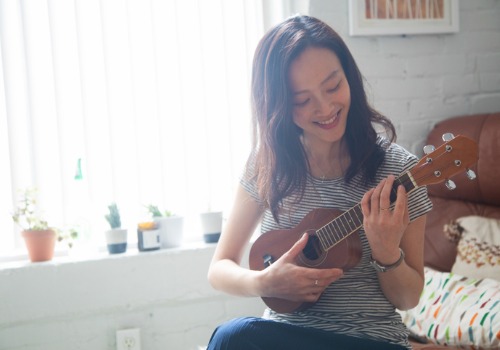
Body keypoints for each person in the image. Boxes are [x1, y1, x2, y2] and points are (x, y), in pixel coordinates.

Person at [206, 15, 432, 350]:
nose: (325, 107)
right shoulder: (266, 163)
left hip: (369, 340)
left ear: (349, 78)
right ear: (279, 104)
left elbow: (408, 297)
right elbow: (219, 269)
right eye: (302, 100)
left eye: (332, 86)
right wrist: (265, 282)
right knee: (232, 337)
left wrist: (386, 251)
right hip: (287, 335)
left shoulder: (400, 172)